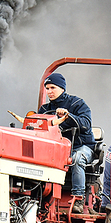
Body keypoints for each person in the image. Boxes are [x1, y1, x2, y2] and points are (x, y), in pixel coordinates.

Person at [38, 73, 95, 213]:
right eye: (47, 88)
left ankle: (78, 199)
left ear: (62, 88)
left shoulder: (77, 104)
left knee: (76, 158)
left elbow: (86, 124)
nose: (49, 91)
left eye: (53, 87)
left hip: (80, 147)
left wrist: (68, 116)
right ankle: (38, 198)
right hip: (55, 149)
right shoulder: (44, 110)